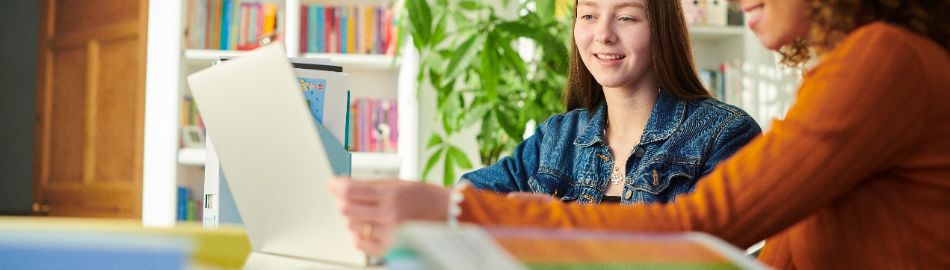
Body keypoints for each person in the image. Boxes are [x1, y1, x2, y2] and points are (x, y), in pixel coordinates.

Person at [331, 0, 950, 268]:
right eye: (588, 17)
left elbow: (698, 230)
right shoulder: (560, 133)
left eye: (626, 18)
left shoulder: (883, 61)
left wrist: (463, 211)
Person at [462, 0, 760, 205]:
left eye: (626, 17)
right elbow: (464, 200)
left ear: (661, 28)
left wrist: (556, 224)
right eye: (589, 15)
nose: (603, 35)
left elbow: (700, 253)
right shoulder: (555, 138)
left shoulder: (725, 135)